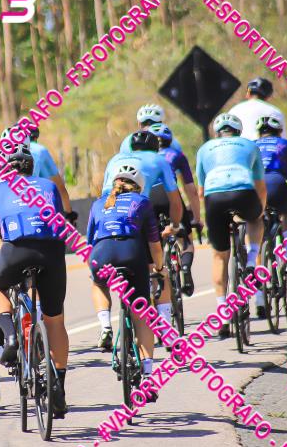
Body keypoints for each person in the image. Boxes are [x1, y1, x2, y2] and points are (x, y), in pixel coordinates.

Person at [0, 144, 69, 418]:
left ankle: (9, 336)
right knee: (55, 319)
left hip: (14, 250)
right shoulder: (48, 186)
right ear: (32, 168)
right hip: (51, 253)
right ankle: (58, 388)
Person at [87, 161, 164, 394]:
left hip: (102, 254)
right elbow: (154, 244)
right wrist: (159, 268)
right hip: (131, 253)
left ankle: (105, 326)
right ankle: (148, 373)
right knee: (142, 311)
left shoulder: (98, 203)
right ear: (139, 186)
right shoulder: (142, 202)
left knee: (98, 283)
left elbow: (91, 242)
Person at [101, 130, 181, 345]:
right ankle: (165, 328)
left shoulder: (115, 159)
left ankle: (106, 324)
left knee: (100, 278)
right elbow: (175, 200)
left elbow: (103, 196)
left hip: (108, 217)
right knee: (157, 270)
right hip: (137, 213)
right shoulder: (159, 159)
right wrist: (174, 226)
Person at [195, 114, 266, 338]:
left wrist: (210, 215)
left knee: (219, 257)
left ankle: (223, 313)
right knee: (255, 219)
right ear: (238, 131)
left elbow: (200, 191)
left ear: (217, 133)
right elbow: (260, 185)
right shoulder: (250, 145)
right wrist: (260, 210)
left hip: (214, 198)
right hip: (244, 192)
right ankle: (252, 260)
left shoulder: (204, 149)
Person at [147, 123, 203, 295]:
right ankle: (185, 268)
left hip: (149, 196)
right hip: (170, 195)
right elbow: (191, 190)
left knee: (151, 241)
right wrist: (196, 218)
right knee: (184, 238)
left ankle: (154, 284)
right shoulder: (177, 155)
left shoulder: (144, 157)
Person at [0, 125, 76, 224]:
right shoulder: (36, 156)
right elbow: (59, 187)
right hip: (32, 215)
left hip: (0, 218)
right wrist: (69, 215)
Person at [255, 114, 287, 288]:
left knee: (255, 225)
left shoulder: (251, 145)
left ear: (259, 132)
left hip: (256, 188)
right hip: (278, 184)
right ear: (280, 131)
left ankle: (257, 271)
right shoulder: (286, 144)